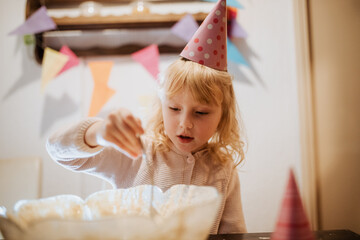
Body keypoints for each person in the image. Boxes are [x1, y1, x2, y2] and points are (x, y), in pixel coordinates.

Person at [46, 0, 247, 234]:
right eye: (174, 109)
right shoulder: (136, 151)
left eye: (201, 112)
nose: (185, 123)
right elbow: (58, 150)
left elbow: (234, 234)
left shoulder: (223, 169)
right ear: (162, 106)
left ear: (223, 117)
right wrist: (97, 133)